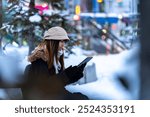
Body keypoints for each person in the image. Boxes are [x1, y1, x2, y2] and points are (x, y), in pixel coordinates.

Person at [21, 26, 88, 99]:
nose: (63, 44)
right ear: (52, 42)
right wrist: (67, 74)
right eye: (60, 41)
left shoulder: (55, 61)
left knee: (81, 97)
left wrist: (74, 75)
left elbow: (57, 84)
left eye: (64, 41)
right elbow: (46, 87)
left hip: (53, 96)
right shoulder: (39, 62)